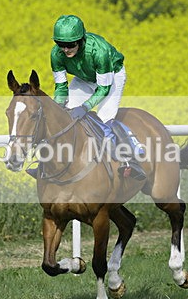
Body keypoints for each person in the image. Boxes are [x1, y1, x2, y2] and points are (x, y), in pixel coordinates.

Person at [50, 14, 146, 180]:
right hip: (84, 78)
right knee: (64, 116)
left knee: (104, 118)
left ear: (81, 40)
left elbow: (103, 88)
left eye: (70, 45)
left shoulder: (99, 51)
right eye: (60, 44)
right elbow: (61, 87)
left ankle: (130, 159)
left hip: (111, 78)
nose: (65, 50)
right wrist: (57, 107)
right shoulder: (56, 54)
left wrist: (85, 107)